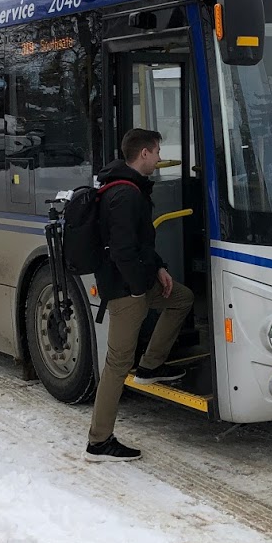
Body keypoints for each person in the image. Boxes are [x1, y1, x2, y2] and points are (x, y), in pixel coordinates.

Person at [86, 128, 194, 463]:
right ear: (143, 154)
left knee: (181, 298)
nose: (161, 158)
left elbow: (142, 244)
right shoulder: (125, 195)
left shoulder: (127, 188)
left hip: (136, 282)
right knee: (117, 363)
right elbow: (122, 251)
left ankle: (150, 367)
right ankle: (99, 442)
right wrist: (137, 288)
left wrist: (158, 269)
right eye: (157, 151)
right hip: (125, 290)